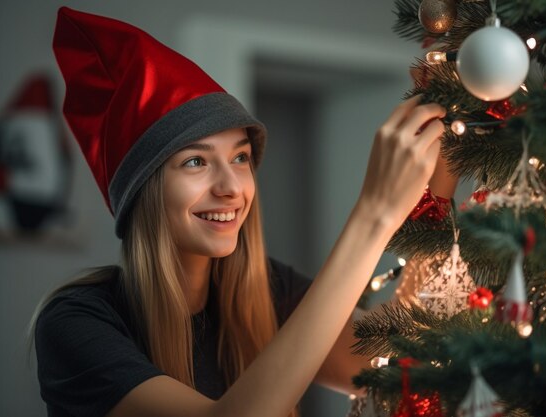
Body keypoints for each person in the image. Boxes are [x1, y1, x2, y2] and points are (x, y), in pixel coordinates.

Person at [32, 7, 452, 417]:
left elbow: (400, 367)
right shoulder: (77, 322)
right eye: (195, 161)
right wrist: (373, 217)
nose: (231, 187)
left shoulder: (268, 290)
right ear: (143, 191)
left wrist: (442, 170)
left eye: (241, 157)